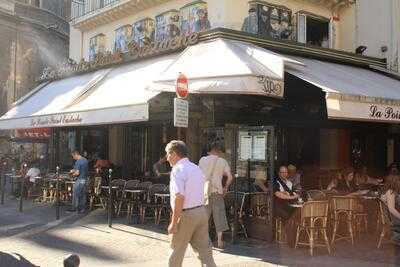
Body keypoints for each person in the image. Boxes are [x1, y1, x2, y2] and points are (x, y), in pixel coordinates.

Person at [165, 140, 216, 267]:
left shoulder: (178, 170)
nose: (167, 158)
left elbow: (179, 197)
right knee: (205, 253)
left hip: (186, 215)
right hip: (200, 212)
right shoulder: (196, 168)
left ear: (174, 154)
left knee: (176, 253)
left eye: (168, 154)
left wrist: (174, 222)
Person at [199, 142, 234, 249]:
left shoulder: (202, 160)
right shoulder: (222, 161)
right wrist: (225, 187)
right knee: (219, 216)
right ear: (218, 151)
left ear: (210, 151)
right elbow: (230, 177)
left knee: (204, 217)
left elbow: (198, 174)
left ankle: (204, 240)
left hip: (204, 192)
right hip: (217, 192)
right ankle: (219, 241)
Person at [273, 165, 300, 247]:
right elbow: (278, 194)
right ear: (279, 173)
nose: (284, 174)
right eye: (282, 172)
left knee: (298, 215)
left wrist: (292, 195)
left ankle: (297, 238)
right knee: (289, 217)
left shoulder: (289, 183)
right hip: (278, 206)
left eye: (286, 172)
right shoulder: (275, 183)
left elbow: (294, 193)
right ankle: (291, 241)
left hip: (289, 205)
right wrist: (290, 196)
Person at [381, 175, 400, 245]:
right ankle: (396, 238)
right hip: (393, 219)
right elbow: (391, 209)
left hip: (394, 216)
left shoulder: (394, 191)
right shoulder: (390, 192)